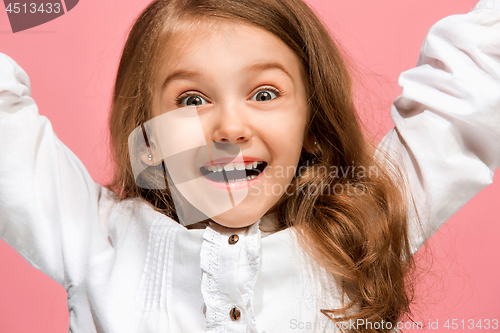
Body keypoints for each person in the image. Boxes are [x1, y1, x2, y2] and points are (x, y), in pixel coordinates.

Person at [0, 0, 499, 332]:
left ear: (312, 121)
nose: (230, 127)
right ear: (146, 135)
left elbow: (475, 84)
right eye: (191, 98)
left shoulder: (366, 221)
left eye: (265, 93)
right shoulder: (97, 238)